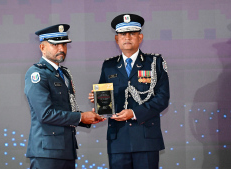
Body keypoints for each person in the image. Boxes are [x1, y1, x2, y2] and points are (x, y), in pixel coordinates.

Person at [89, 14, 170, 169]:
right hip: (118, 139)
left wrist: (134, 113)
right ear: (116, 39)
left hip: (146, 138)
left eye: (132, 34)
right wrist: (97, 99)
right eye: (123, 34)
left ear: (140, 37)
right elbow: (105, 99)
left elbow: (162, 98)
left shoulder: (154, 63)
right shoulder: (109, 66)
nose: (127, 38)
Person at [24, 24, 104, 169]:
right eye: (55, 44)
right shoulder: (37, 74)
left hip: (66, 150)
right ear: (42, 48)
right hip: (46, 153)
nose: (61, 49)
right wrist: (80, 117)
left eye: (64, 44)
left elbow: (65, 108)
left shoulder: (64, 73)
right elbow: (45, 114)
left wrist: (87, 117)